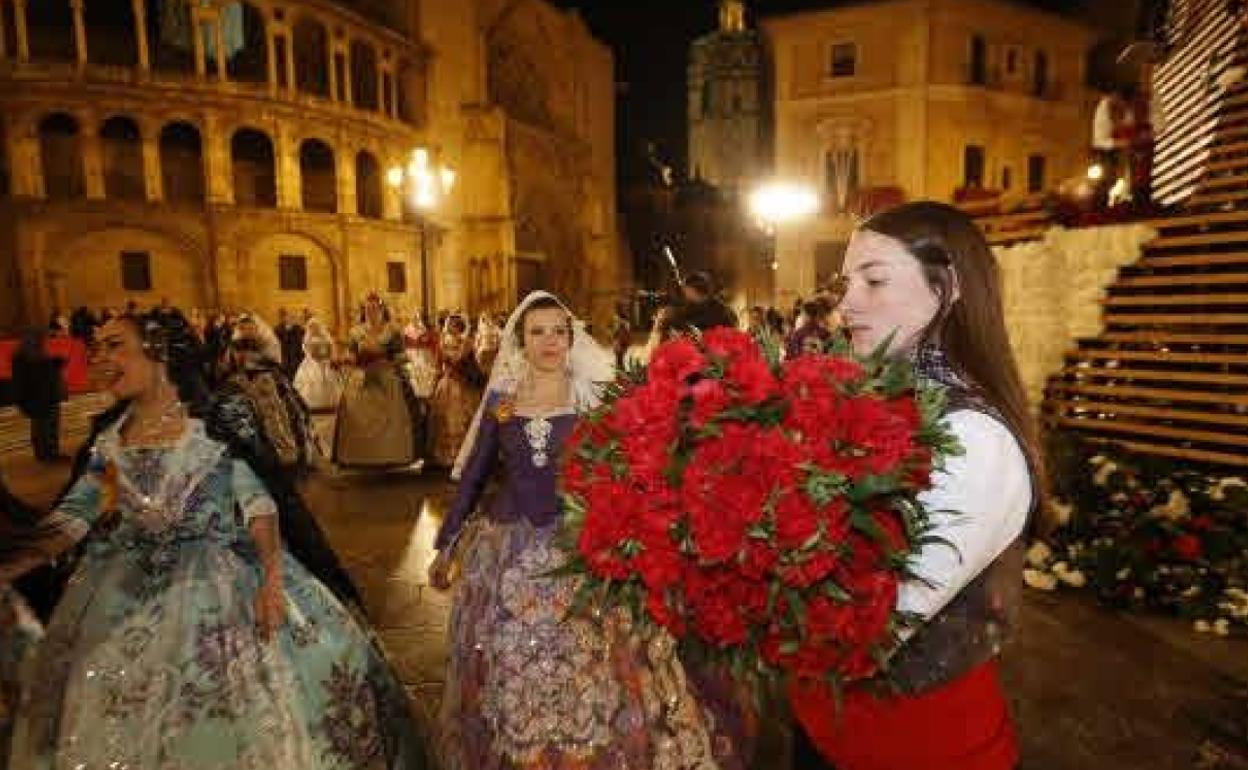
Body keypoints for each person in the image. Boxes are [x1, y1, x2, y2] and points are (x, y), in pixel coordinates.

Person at [0, 309, 431, 769]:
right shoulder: (110, 438)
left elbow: (259, 502)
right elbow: (78, 514)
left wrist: (269, 577)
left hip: (222, 579)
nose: (99, 359)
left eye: (114, 346)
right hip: (124, 590)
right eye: (97, 348)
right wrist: (18, 560)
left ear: (159, 353)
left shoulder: (216, 422)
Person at [428, 291, 751, 770]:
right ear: (520, 340)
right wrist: (446, 543)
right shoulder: (503, 403)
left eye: (559, 330)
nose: (550, 341)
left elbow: (623, 466)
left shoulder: (590, 395)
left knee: (591, 657)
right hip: (507, 543)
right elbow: (476, 473)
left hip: (580, 543)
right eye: (537, 332)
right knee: (506, 652)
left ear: (571, 335)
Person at [790, 201, 1039, 770]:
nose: (846, 302)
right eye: (845, 281)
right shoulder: (871, 397)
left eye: (873, 280)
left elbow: (872, 625)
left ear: (946, 288)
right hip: (829, 728)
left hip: (920, 748)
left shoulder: (975, 437)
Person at [333, 293, 423, 469]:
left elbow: (402, 356)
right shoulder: (356, 331)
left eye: (375, 308)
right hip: (362, 377)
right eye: (368, 308)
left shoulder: (392, 330)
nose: (371, 311)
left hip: (386, 377)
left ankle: (392, 455)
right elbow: (351, 354)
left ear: (382, 310)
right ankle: (359, 457)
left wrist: (384, 360)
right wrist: (344, 360)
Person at [222, 314, 316, 473]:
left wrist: (258, 363)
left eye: (249, 326)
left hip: (265, 379)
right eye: (243, 327)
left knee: (283, 412)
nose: (247, 329)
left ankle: (288, 453)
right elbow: (229, 363)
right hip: (244, 381)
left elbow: (272, 358)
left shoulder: (262, 340)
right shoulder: (235, 343)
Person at [427, 312, 481, 469]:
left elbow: (464, 360)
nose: (450, 327)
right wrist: (433, 384)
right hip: (448, 383)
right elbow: (439, 365)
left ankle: (463, 455)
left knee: (461, 419)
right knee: (445, 419)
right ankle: (447, 456)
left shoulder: (466, 342)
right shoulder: (443, 342)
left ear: (459, 327)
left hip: (463, 384)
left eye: (454, 325)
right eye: (449, 324)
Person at [10, 328, 67, 462]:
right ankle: (48, 454)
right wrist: (55, 364)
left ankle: (44, 453)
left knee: (42, 426)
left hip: (40, 397)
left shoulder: (23, 355)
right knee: (45, 427)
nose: (44, 342)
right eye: (41, 339)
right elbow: (38, 375)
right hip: (41, 397)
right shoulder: (29, 356)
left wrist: (53, 363)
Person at [669, 271, 737, 333]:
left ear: (693, 290)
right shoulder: (688, 306)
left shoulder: (719, 311)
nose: (684, 292)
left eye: (686, 289)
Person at [402, 313, 440, 400]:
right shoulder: (407, 330)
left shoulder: (428, 331)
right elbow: (405, 345)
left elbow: (433, 345)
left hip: (424, 356)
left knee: (425, 375)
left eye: (418, 318)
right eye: (414, 318)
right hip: (412, 355)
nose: (416, 319)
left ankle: (424, 397)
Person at [274, 308, 307, 378]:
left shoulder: (299, 329)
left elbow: (302, 341)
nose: (290, 318)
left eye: (292, 317)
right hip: (284, 358)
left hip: (297, 357)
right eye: (287, 316)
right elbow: (277, 343)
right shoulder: (277, 329)